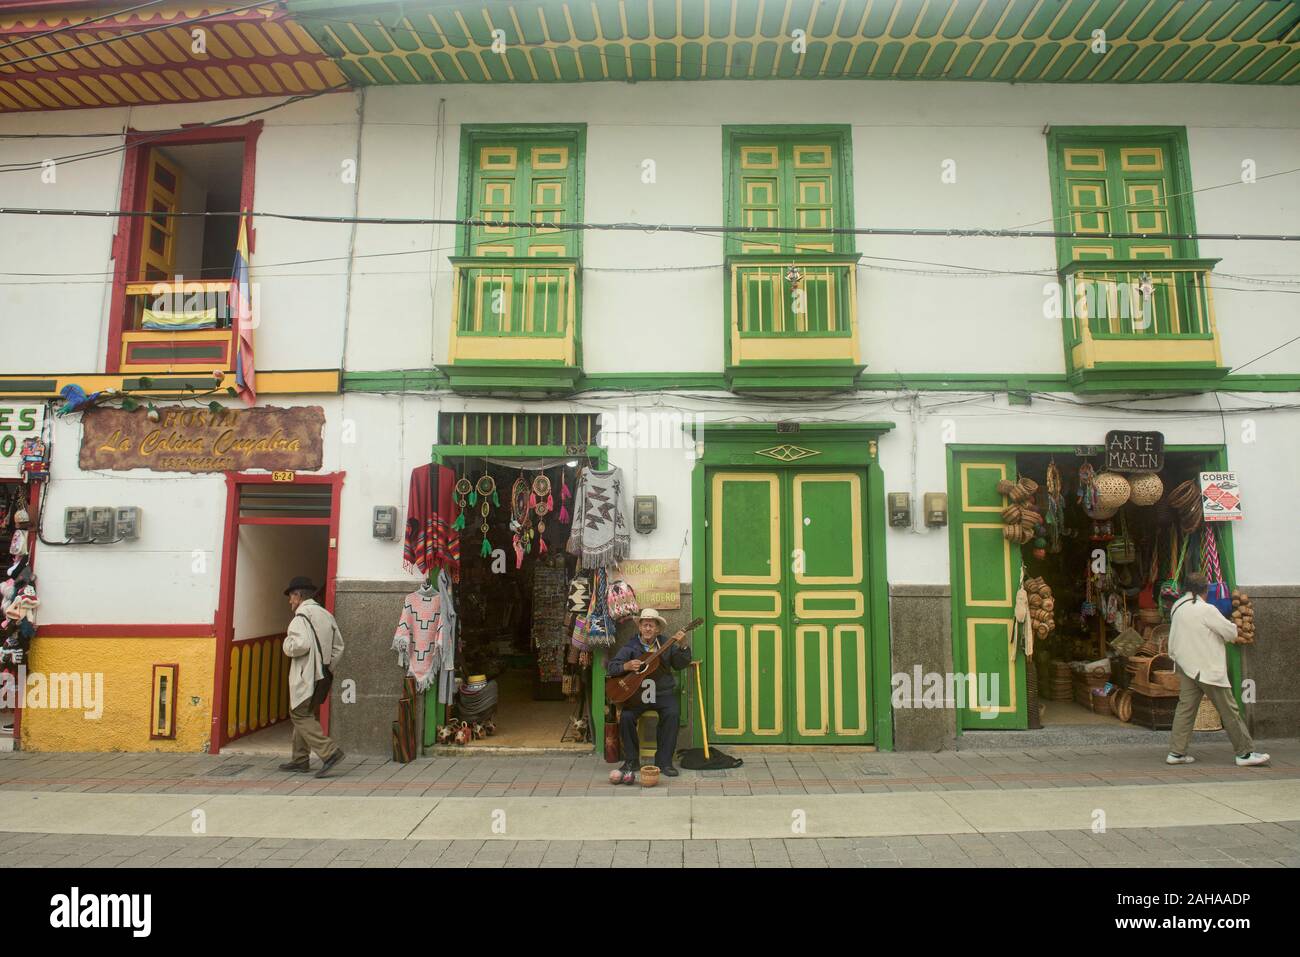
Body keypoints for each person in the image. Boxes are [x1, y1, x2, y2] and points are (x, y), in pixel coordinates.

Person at [1165, 571, 1269, 768]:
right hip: (1206, 667)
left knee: (1185, 710)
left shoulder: (1177, 607)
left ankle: (1176, 752)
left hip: (1186, 665)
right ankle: (1245, 754)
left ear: (1186, 588)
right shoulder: (1206, 609)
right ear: (1206, 590)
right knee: (1229, 710)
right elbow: (1230, 632)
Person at [608, 608, 690, 783]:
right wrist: (627, 666)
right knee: (627, 716)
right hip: (638, 695)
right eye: (644, 625)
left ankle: (664, 762)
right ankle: (631, 761)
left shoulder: (667, 644)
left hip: (662, 693)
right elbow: (612, 667)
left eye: (651, 625)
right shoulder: (631, 646)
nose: (647, 629)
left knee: (672, 714)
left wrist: (683, 645)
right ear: (640, 627)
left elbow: (681, 664)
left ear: (658, 629)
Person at [280, 577, 346, 777]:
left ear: (298, 596)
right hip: (323, 674)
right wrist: (326, 666)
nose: (290, 601)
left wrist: (286, 645)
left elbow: (301, 645)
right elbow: (338, 646)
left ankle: (330, 752)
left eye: (291, 596)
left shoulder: (300, 618)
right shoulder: (326, 614)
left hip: (306, 675)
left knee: (299, 713)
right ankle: (300, 759)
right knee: (306, 712)